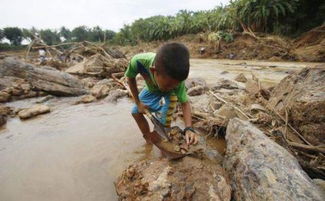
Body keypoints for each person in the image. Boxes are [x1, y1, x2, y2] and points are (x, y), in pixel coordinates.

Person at [125, 42, 198, 146]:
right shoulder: (138, 62)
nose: (172, 87)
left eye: (175, 85)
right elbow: (130, 78)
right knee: (135, 111)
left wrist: (189, 128)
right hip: (151, 89)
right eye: (169, 85)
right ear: (153, 71)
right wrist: (138, 102)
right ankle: (148, 140)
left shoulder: (176, 84)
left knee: (164, 123)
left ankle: (164, 143)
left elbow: (185, 103)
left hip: (170, 95)